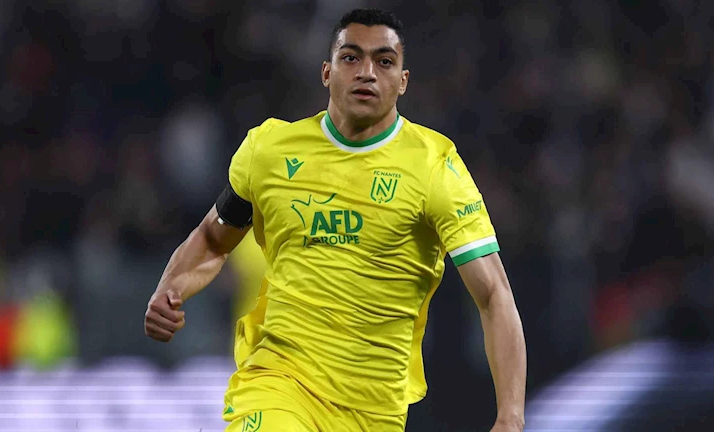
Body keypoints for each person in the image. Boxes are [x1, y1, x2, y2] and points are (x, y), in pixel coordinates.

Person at [144, 8, 526, 432]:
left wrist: (510, 416)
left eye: (384, 61)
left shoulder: (434, 167)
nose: (367, 72)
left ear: (402, 81)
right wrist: (169, 289)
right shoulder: (269, 151)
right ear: (327, 72)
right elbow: (213, 239)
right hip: (278, 381)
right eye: (351, 57)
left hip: (373, 410)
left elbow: (494, 294)